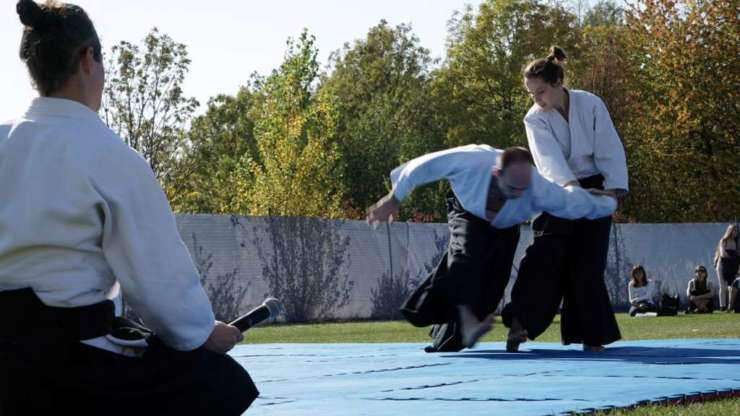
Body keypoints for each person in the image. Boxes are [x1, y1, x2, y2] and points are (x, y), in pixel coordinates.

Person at [0, 1, 257, 415]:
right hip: (67, 370)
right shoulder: (109, 155)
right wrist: (201, 332)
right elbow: (158, 281)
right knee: (222, 382)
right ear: (88, 60)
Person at [366, 145, 617, 350]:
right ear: (496, 174)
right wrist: (394, 197)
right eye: (511, 188)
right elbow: (425, 165)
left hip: (505, 227)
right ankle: (460, 318)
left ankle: (451, 336)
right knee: (466, 257)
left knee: (491, 287)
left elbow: (576, 204)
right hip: (467, 210)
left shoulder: (539, 189)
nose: (518, 194)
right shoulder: (473, 160)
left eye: (523, 189)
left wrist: (607, 203)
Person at [502, 46, 629, 353]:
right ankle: (520, 323)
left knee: (588, 263)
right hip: (558, 190)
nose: (537, 100)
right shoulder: (534, 119)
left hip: (597, 186)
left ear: (559, 82)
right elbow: (548, 161)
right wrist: (571, 191)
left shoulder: (591, 103)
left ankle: (591, 335)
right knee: (545, 255)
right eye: (532, 94)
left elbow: (609, 147)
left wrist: (613, 191)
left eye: (541, 92)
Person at [714, 224, 739, 311]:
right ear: (730, 231)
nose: (735, 232)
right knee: (722, 286)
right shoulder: (723, 240)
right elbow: (723, 254)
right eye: (734, 230)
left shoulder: (735, 242)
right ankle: (722, 306)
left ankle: (730, 306)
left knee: (731, 286)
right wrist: (733, 256)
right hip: (721, 266)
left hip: (731, 267)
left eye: (736, 231)